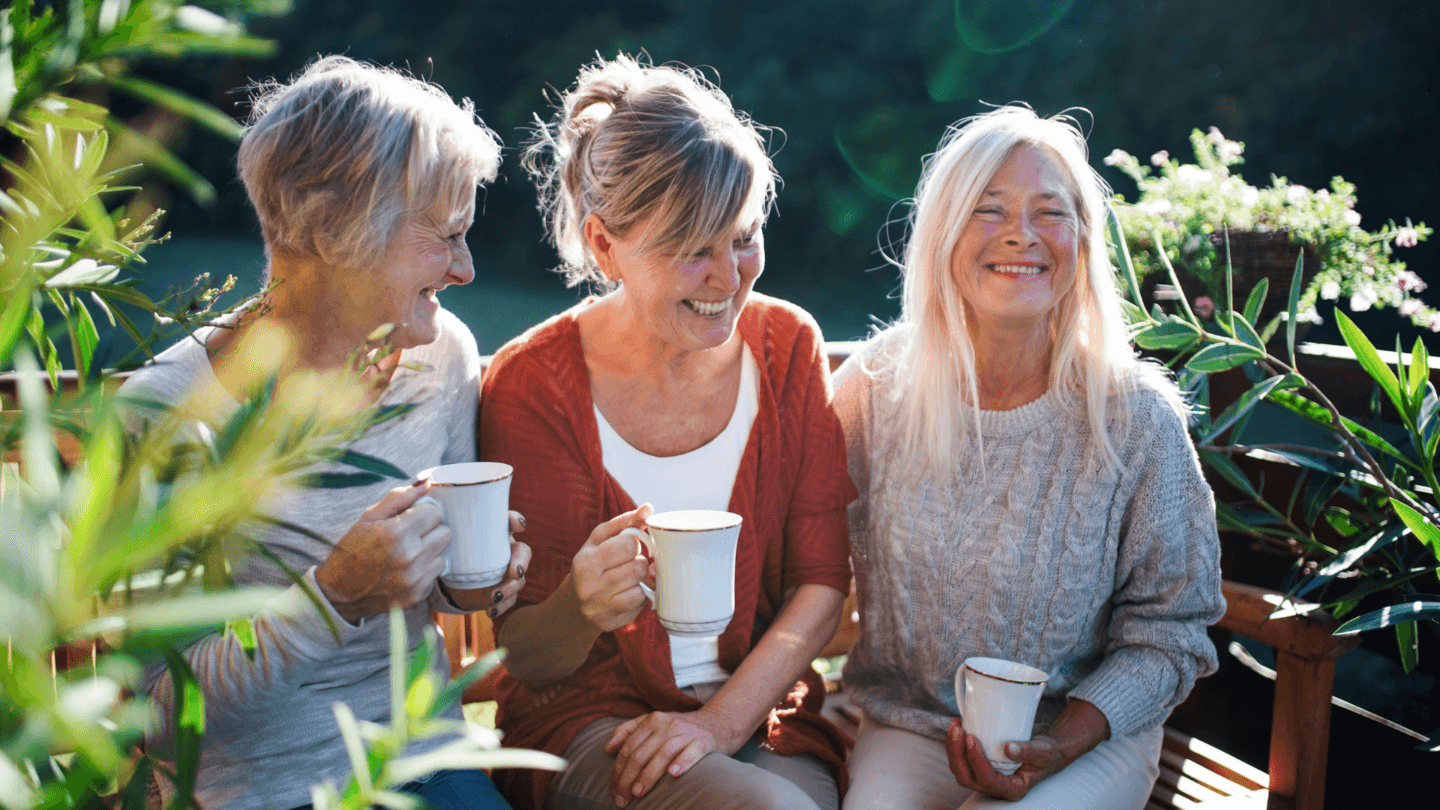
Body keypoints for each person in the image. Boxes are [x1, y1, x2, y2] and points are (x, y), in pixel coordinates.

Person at [120, 56, 527, 810]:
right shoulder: (166, 416)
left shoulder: (441, 355)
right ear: (336, 230)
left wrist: (472, 572)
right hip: (260, 793)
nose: (466, 269)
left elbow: (444, 602)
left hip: (423, 764)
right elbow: (163, 711)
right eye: (446, 235)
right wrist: (334, 598)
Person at [478, 55, 855, 810]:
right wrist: (581, 605)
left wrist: (718, 723)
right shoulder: (533, 386)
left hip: (755, 715)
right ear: (605, 245)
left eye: (743, 238)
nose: (729, 278)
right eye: (692, 250)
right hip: (586, 724)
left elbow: (820, 583)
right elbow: (529, 659)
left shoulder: (787, 349)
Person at [833, 106, 1226, 810]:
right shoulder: (875, 389)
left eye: (1051, 211)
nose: (1021, 233)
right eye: (989, 210)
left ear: (1082, 240)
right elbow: (794, 553)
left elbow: (1170, 629)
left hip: (1088, 736)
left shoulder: (1137, 418)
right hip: (913, 723)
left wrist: (1065, 742)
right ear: (943, 234)